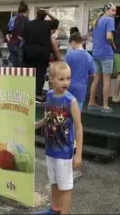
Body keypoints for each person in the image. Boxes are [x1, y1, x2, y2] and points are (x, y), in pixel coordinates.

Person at [35, 61, 83, 215]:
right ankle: (55, 209)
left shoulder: (71, 101)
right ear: (51, 80)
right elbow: (49, 117)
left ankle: (64, 212)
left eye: (68, 78)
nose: (66, 82)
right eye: (62, 79)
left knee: (66, 186)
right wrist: (38, 124)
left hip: (64, 151)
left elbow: (79, 127)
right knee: (54, 182)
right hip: (50, 149)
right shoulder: (49, 95)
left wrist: (78, 153)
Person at [21, 9, 60, 103]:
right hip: (43, 52)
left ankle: (27, 92)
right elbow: (56, 21)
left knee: (29, 72)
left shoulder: (28, 24)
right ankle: (38, 94)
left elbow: (23, 37)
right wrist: (48, 13)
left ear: (36, 15)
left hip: (29, 51)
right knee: (40, 74)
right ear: (44, 16)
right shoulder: (47, 24)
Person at [87, 3, 116, 113]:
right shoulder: (109, 20)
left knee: (96, 79)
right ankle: (105, 105)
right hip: (106, 53)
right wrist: (113, 45)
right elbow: (109, 37)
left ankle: (91, 102)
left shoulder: (96, 21)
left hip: (96, 53)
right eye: (113, 10)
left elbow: (90, 36)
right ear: (107, 10)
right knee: (107, 81)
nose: (114, 13)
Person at [65, 33, 95, 111]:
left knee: (65, 114)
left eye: (71, 45)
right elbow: (92, 73)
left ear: (73, 43)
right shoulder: (89, 57)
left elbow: (63, 71)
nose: (71, 47)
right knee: (77, 116)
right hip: (81, 89)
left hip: (68, 87)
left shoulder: (69, 55)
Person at [6, 1, 29, 67]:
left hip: (11, 45)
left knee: (14, 66)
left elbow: (8, 32)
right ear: (26, 11)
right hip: (20, 45)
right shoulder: (25, 19)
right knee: (21, 68)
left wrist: (9, 40)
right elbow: (24, 32)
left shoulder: (12, 18)